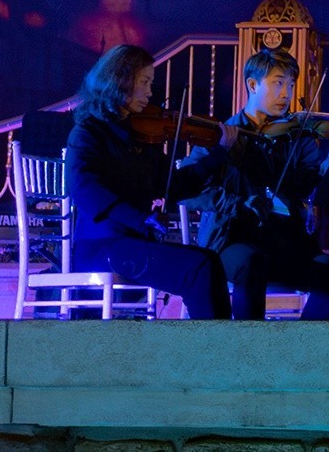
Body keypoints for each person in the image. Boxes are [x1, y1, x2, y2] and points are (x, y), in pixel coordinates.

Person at [61, 42, 236, 318]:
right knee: (198, 268)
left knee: (209, 259)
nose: (150, 92)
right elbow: (84, 190)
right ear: (120, 80)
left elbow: (174, 186)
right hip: (101, 247)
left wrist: (219, 155)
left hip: (133, 243)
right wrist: (139, 218)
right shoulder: (88, 133)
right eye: (144, 82)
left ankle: (221, 341)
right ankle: (210, 344)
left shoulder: (140, 139)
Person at [181, 46, 329, 320]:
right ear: (252, 85)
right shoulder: (223, 134)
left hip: (284, 243)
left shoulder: (295, 135)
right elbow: (187, 189)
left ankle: (304, 342)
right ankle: (251, 342)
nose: (286, 94)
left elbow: (308, 187)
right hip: (232, 241)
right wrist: (236, 202)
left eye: (290, 85)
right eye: (278, 83)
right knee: (252, 261)